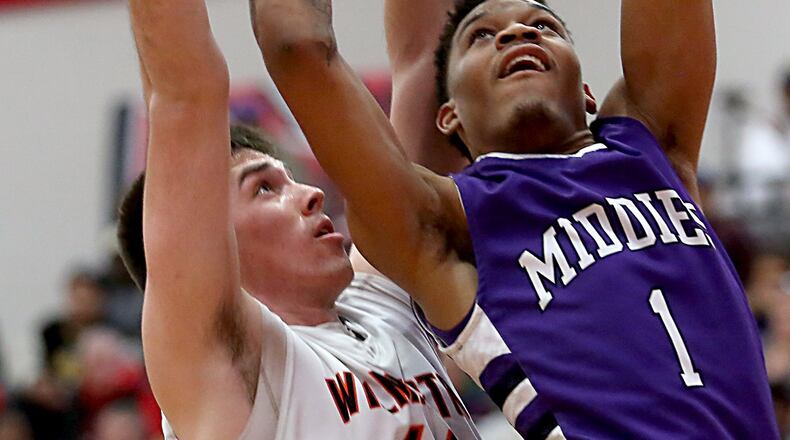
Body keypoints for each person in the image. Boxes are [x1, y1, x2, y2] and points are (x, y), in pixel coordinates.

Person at [251, 0, 778, 437]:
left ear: (587, 92)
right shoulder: (447, 224)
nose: (517, 33)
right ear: (449, 115)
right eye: (481, 36)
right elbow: (296, 47)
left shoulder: (651, 147)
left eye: (543, 26)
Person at [121, 0, 480, 437]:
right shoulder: (226, 367)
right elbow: (184, 94)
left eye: (291, 180)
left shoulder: (381, 300)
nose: (312, 195)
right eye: (264, 188)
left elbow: (426, 57)